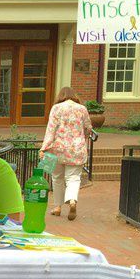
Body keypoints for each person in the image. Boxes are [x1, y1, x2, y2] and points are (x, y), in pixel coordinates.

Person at [40, 86, 92, 221]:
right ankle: (72, 200)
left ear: (60, 96)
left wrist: (44, 148)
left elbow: (51, 130)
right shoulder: (82, 109)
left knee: (57, 177)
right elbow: (88, 128)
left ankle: (57, 207)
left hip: (58, 149)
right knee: (73, 178)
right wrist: (83, 136)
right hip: (76, 149)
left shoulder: (56, 108)